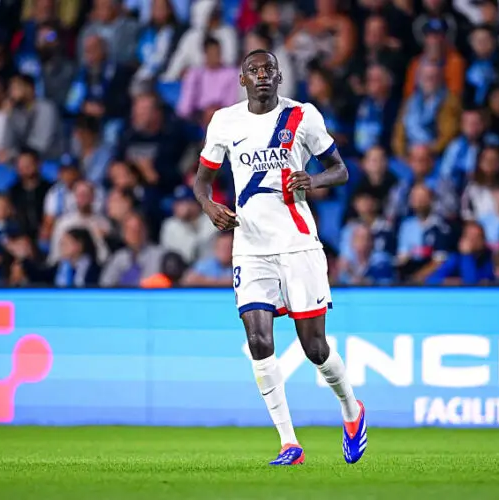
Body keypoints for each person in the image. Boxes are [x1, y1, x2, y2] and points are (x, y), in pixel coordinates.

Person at [193, 49, 367, 466]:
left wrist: (316, 178)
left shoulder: (302, 116)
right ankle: (290, 443)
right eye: (253, 70)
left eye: (268, 69)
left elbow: (341, 169)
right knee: (258, 341)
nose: (262, 76)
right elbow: (203, 181)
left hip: (299, 244)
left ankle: (351, 410)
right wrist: (210, 206)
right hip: (250, 247)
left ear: (279, 76)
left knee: (315, 349)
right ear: (242, 80)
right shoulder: (225, 121)